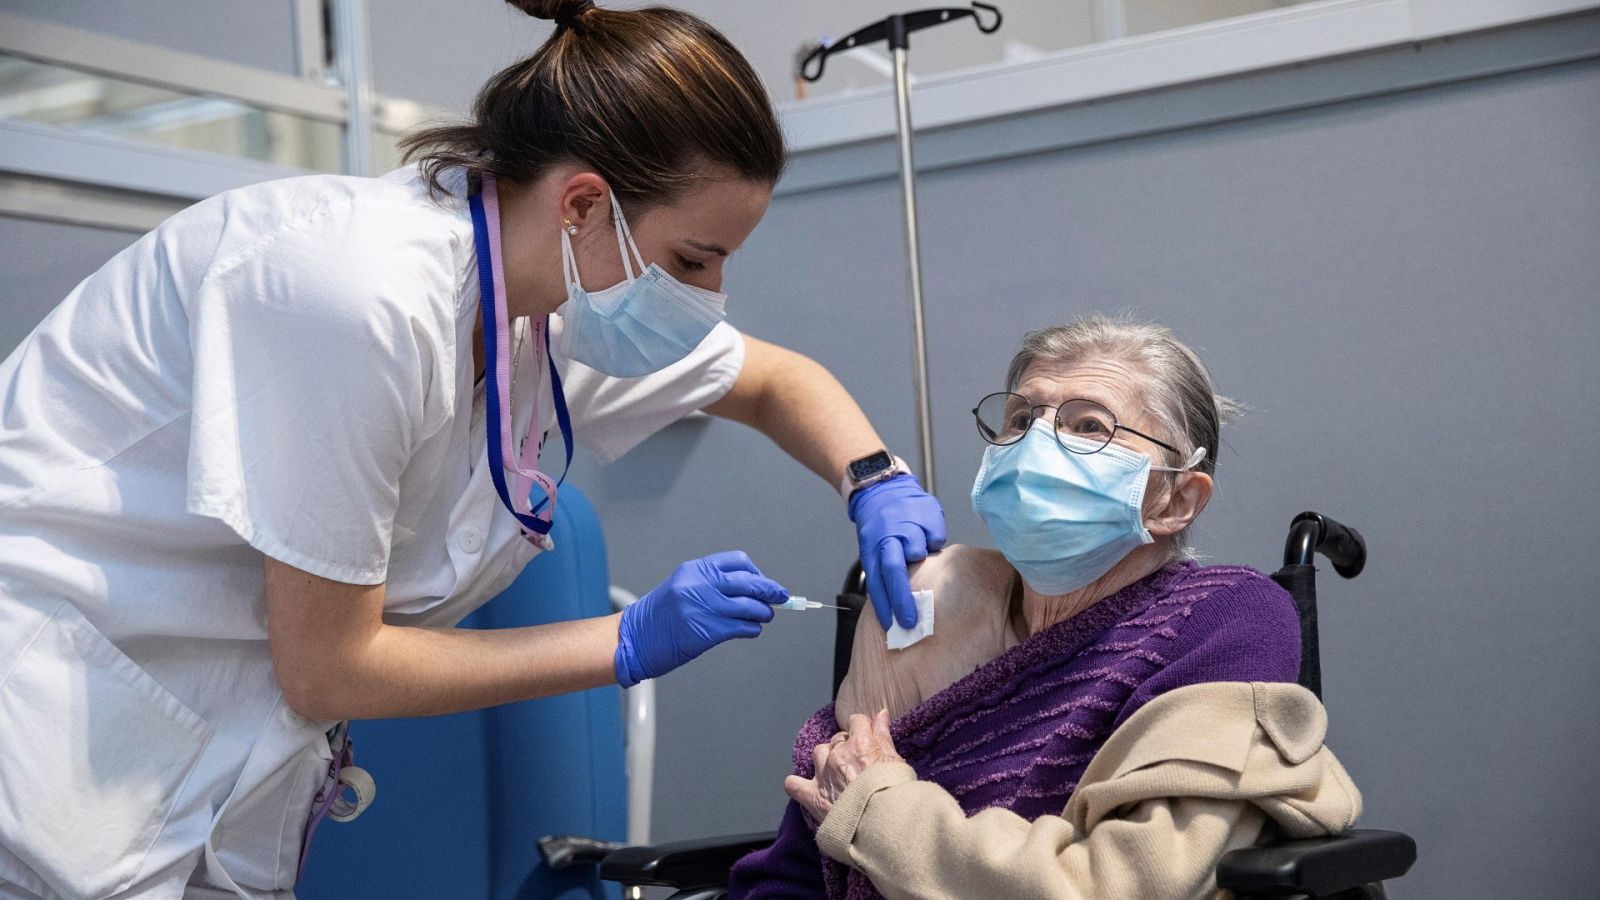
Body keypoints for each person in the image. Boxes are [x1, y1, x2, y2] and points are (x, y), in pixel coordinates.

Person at [0, 2, 945, 897]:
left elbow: (774, 382)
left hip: (190, 773)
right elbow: (329, 666)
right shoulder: (355, 292)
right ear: (583, 205)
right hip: (48, 740)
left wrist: (876, 483)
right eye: (694, 261)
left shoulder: (542, 311)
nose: (707, 298)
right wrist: (627, 640)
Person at [729, 317, 1362, 899]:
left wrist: (880, 807)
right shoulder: (932, 602)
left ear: (1174, 500)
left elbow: (1117, 886)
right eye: (1020, 420)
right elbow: (812, 850)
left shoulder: (1225, 618)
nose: (1037, 445)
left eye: (1090, 425)